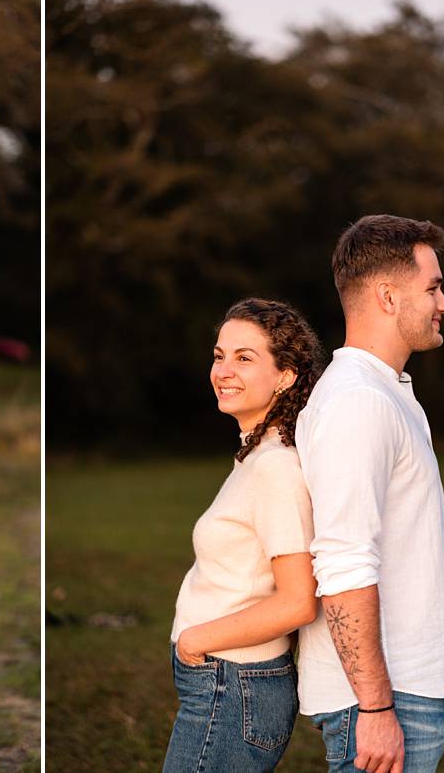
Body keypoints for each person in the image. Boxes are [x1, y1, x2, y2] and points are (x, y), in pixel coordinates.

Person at [296, 215, 444, 773]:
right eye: (433, 287)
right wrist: (375, 707)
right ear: (386, 295)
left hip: (403, 687)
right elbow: (344, 560)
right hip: (380, 696)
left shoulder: (386, 390)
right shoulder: (358, 401)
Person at [162, 298, 325, 772]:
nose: (223, 370)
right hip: (226, 680)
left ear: (286, 375)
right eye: (219, 355)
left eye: (245, 357)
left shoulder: (275, 467)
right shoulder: (255, 456)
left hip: (233, 682)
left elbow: (298, 601)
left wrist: (196, 640)